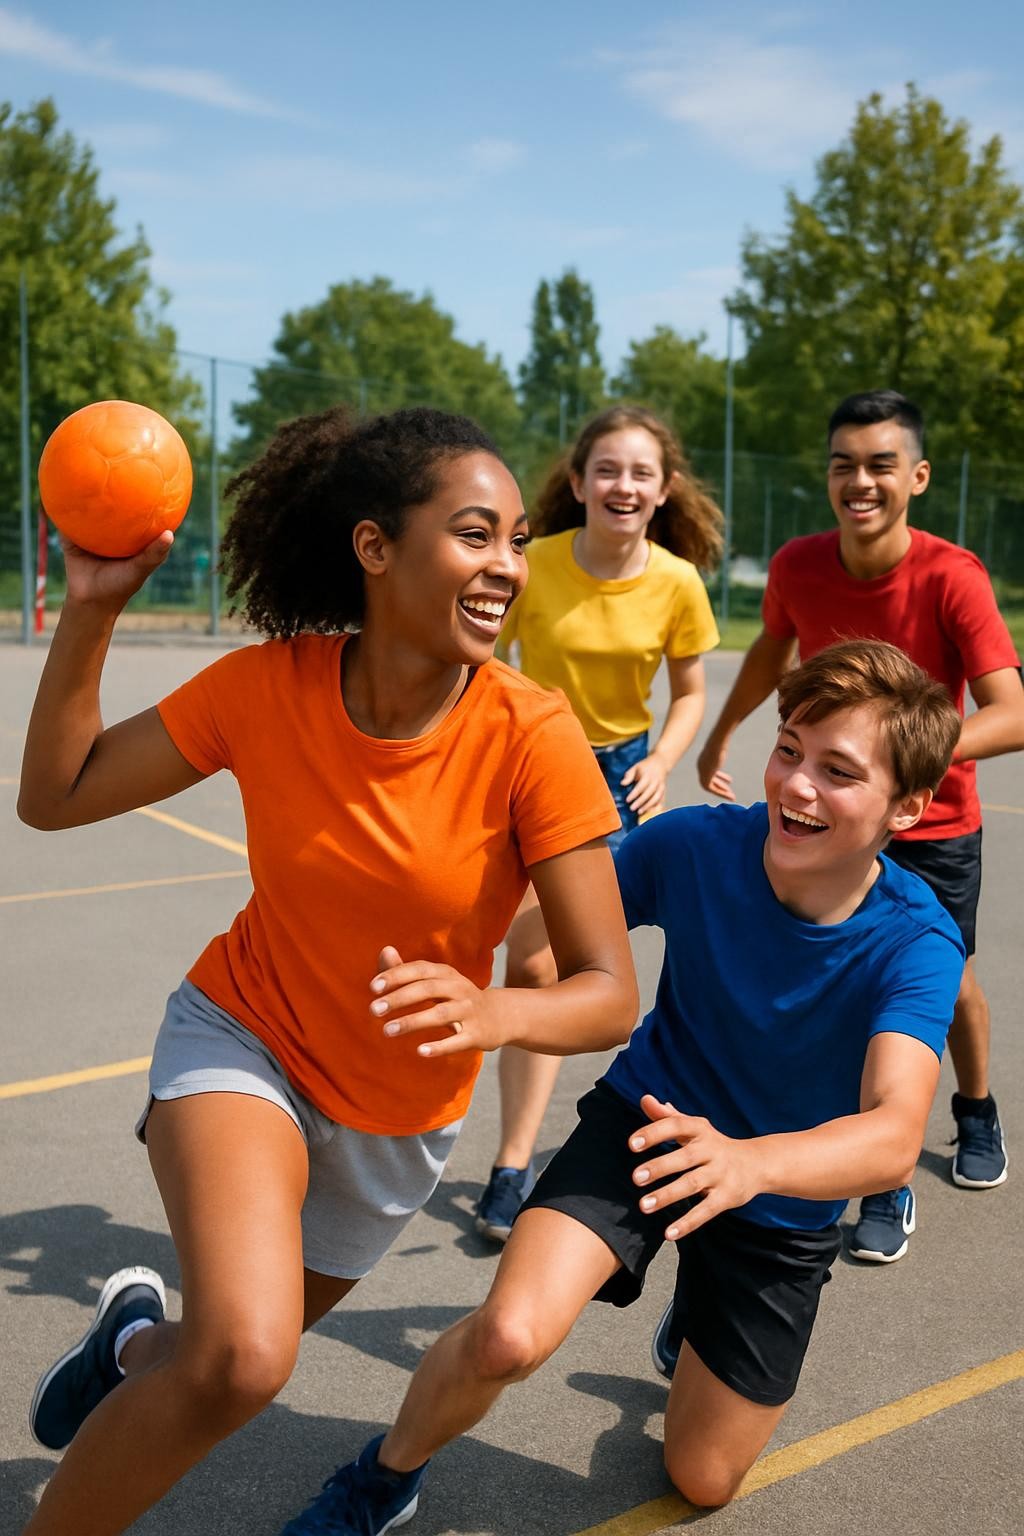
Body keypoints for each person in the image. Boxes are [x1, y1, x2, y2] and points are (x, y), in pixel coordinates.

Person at [18, 405, 639, 1536]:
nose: (507, 565)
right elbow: (54, 798)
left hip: (396, 1119)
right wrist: (92, 608)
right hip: (245, 1038)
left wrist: (494, 1009)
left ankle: (130, 1344)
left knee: (211, 1356)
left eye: (514, 540)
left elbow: (609, 992)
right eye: (474, 534)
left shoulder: (531, 735)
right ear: (375, 547)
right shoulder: (268, 687)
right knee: (248, 1358)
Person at [277, 638, 966, 1535]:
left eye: (838, 771)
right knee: (508, 1336)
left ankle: (694, 1318)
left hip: (779, 1195)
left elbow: (894, 1136)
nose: (796, 785)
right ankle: (381, 1478)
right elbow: (549, 920)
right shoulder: (696, 845)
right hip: (648, 1123)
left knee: (702, 1479)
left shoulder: (916, 942)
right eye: (788, 749)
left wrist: (747, 1164)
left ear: (907, 806)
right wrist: (479, 965)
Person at [696, 390, 1024, 1263]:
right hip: (832, 818)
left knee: (947, 985)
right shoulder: (799, 565)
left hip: (929, 821)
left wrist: (901, 761)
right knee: (848, 993)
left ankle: (976, 1110)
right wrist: (723, 731)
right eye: (844, 464)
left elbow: (1012, 710)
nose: (860, 481)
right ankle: (885, 1173)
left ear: (917, 477)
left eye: (881, 464)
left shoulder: (952, 576)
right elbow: (770, 650)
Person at [476, 404, 722, 1242]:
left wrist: (663, 761)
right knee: (527, 960)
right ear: (579, 483)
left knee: (559, 965)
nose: (624, 485)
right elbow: (484, 658)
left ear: (665, 488)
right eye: (607, 469)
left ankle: (520, 1163)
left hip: (621, 781)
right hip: (531, 759)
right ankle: (509, 1158)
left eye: (641, 472)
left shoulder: (677, 582)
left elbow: (690, 693)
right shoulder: (533, 561)